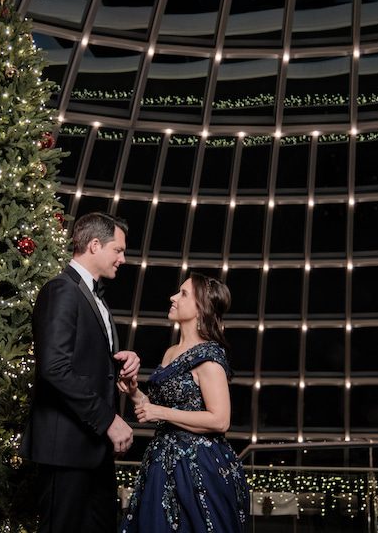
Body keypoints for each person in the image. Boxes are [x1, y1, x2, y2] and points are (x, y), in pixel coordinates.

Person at [20, 212, 141, 533]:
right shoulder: (60, 290)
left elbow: (82, 361)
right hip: (67, 449)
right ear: (95, 245)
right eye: (118, 250)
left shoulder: (93, 296)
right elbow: (54, 368)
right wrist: (108, 420)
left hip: (93, 449)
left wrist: (119, 362)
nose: (123, 259)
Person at [118, 272, 250, 533]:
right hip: (160, 463)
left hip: (197, 470)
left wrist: (160, 411)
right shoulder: (171, 352)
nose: (173, 297)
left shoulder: (209, 357)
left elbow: (220, 420)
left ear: (201, 307)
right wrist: (134, 392)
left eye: (183, 293)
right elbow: (160, 409)